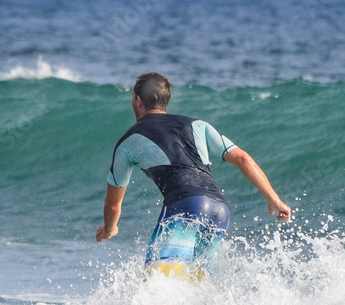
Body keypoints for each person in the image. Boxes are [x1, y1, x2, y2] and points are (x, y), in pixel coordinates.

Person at [96, 72, 291, 276]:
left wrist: (110, 229)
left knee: (157, 276)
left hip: (185, 205)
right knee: (196, 281)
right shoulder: (198, 125)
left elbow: (112, 205)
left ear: (137, 99)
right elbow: (243, 158)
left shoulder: (130, 140)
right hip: (220, 210)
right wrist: (273, 199)